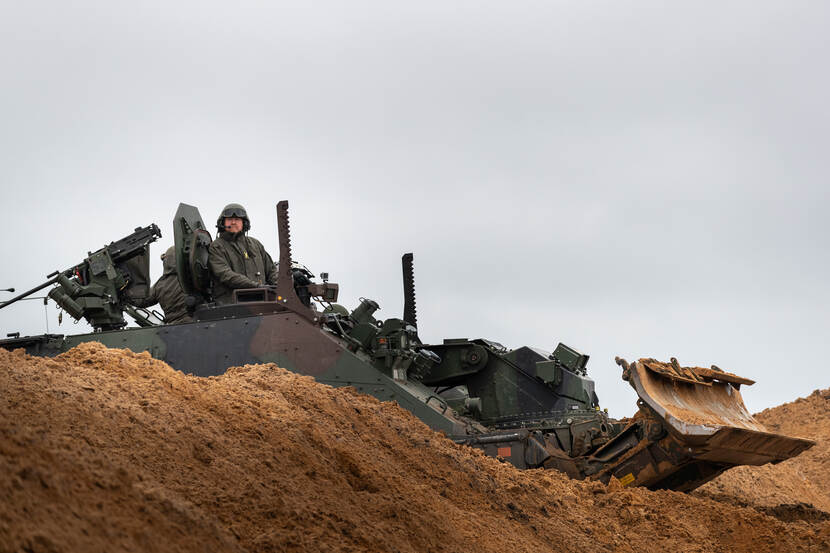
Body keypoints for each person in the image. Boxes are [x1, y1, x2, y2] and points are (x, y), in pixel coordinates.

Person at [208, 203, 278, 304]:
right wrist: (256, 286)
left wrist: (281, 287)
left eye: (237, 219)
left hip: (263, 302)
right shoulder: (217, 247)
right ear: (222, 223)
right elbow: (226, 275)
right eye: (229, 219)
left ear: (244, 223)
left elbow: (271, 270)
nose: (233, 222)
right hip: (232, 305)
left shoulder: (255, 244)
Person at [132, 246, 192, 324]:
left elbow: (141, 302)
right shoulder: (190, 277)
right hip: (194, 323)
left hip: (172, 327)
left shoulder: (160, 284)